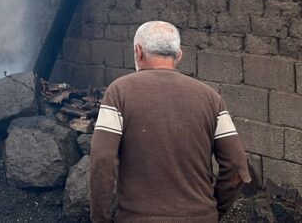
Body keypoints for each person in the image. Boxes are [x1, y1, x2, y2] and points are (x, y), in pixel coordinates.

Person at [89, 21, 251, 222]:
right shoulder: (211, 98)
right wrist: (215, 210)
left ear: (138, 51)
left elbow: (101, 160)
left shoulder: (118, 93)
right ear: (179, 55)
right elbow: (236, 164)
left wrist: (100, 218)